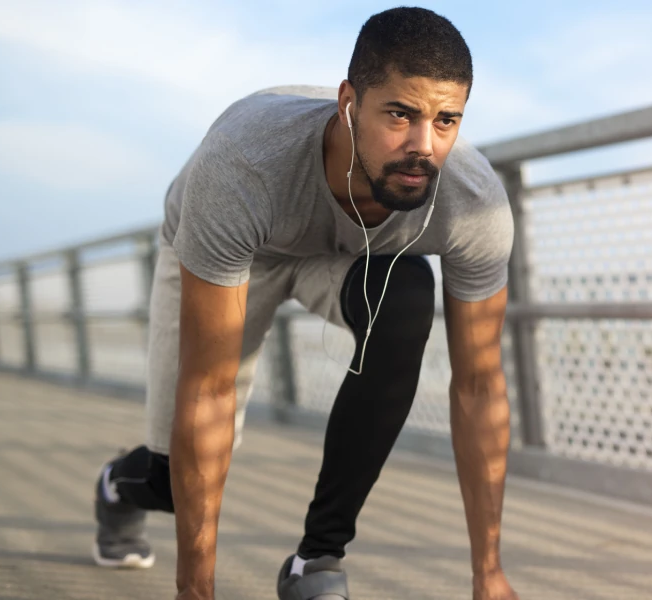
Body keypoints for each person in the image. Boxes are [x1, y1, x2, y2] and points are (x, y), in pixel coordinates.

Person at [90, 7, 520, 600]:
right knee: (175, 481)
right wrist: (195, 591)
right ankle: (119, 485)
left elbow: (480, 388)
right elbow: (209, 388)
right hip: (238, 244)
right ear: (350, 101)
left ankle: (316, 560)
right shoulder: (243, 166)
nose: (424, 147)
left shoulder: (473, 203)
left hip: (337, 254)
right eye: (400, 114)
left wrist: (489, 575)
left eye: (446, 120)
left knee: (407, 294)